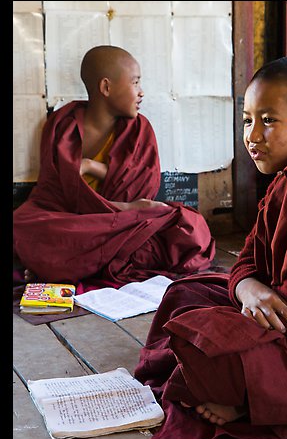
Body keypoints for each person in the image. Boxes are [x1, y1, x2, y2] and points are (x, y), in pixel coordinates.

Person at [134, 56, 287, 439]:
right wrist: (249, 288)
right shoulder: (284, 181)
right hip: (277, 309)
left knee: (212, 348)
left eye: (269, 120)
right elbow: (248, 257)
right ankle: (254, 389)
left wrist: (263, 305)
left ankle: (255, 397)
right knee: (186, 292)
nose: (252, 135)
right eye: (248, 120)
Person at [13, 45, 215, 287]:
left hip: (123, 223)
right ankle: (64, 262)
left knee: (191, 228)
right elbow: (50, 194)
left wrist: (90, 167)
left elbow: (143, 189)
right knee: (23, 222)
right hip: (77, 221)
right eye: (135, 82)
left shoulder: (139, 129)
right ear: (106, 87)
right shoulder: (62, 124)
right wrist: (125, 207)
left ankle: (56, 264)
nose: (141, 92)